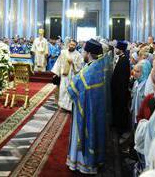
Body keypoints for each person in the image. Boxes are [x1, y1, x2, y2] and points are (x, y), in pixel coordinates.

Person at [66, 39, 109, 174]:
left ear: (89, 53)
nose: (83, 53)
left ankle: (81, 164)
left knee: (83, 133)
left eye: (84, 51)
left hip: (84, 109)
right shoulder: (98, 66)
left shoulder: (89, 72)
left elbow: (73, 88)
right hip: (95, 108)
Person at [51, 39, 82, 111]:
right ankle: (63, 106)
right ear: (69, 44)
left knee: (70, 91)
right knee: (63, 90)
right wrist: (56, 73)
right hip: (63, 75)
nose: (72, 46)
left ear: (76, 46)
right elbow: (59, 63)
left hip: (72, 76)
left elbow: (80, 66)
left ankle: (69, 107)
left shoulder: (78, 55)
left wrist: (73, 63)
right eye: (71, 44)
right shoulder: (63, 52)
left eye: (73, 45)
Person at [111, 41, 131, 134]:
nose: (115, 50)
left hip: (121, 91)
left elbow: (122, 79)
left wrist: (120, 92)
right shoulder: (122, 58)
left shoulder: (124, 60)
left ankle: (121, 128)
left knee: (121, 109)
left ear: (121, 49)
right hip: (118, 90)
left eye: (116, 48)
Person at [131, 60, 152, 126]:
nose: (134, 73)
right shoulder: (136, 82)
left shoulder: (148, 87)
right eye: (134, 70)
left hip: (143, 120)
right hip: (135, 116)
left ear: (145, 72)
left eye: (138, 71)